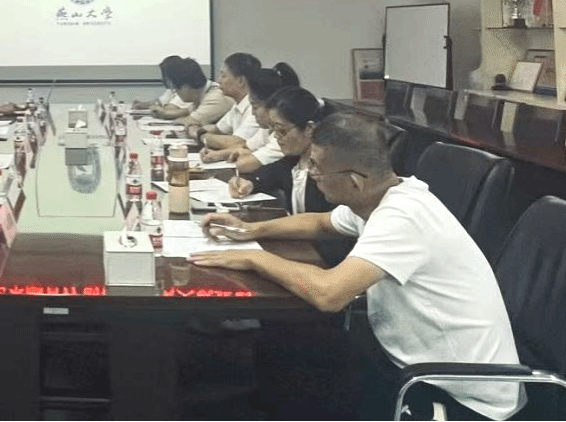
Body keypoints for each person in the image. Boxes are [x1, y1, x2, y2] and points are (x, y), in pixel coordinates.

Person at [190, 113, 525, 421]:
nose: (311, 174)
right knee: (284, 343)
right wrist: (250, 230)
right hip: (402, 361)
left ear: (354, 181)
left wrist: (255, 258)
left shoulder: (402, 218)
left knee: (300, 371)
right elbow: (321, 223)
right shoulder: (382, 195)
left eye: (317, 167)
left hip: (459, 397)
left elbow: (329, 294)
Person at [200, 63, 300, 172]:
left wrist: (243, 153)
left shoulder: (284, 135)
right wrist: (217, 154)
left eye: (255, 107)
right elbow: (246, 146)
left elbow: (244, 164)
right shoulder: (267, 129)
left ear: (272, 106)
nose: (252, 112)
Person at [187, 52, 263, 148]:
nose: (219, 81)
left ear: (241, 81)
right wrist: (199, 130)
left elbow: (236, 143)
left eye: (223, 76)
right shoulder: (238, 104)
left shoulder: (256, 108)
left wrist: (201, 135)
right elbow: (217, 129)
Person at [150, 57, 232, 125]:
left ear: (186, 87)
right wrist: (165, 114)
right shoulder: (203, 94)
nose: (177, 93)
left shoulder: (215, 98)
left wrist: (171, 117)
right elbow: (187, 112)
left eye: (176, 89)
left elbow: (190, 121)